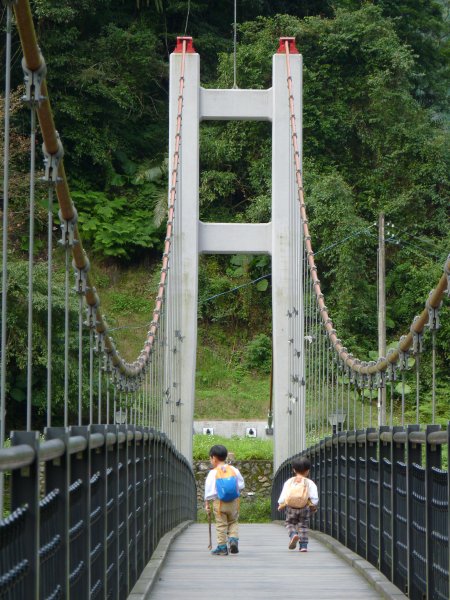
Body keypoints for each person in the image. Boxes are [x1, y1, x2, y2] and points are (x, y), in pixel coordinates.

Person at [204, 444, 245, 556]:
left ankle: (222, 547)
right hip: (234, 502)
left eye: (210, 458)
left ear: (214, 458)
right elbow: (241, 485)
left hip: (219, 503)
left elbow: (209, 492)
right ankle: (233, 539)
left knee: (221, 524)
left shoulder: (213, 473)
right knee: (233, 521)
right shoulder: (233, 469)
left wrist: (207, 504)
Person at [277, 456, 319, 552]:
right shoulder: (309, 483)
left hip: (291, 507)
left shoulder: (289, 482)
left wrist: (281, 503)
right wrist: (312, 504)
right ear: (308, 471)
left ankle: (293, 535)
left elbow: (283, 496)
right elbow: (314, 498)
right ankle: (303, 546)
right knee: (303, 525)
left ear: (294, 470)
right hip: (304, 507)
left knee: (289, 523)